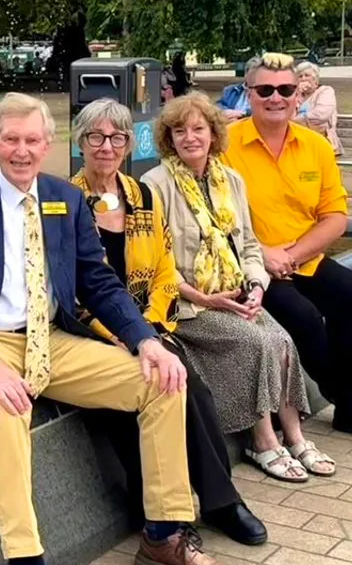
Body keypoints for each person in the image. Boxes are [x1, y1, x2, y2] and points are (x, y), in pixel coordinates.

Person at [0, 92, 235, 565]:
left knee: (164, 380)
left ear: (49, 145)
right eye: (11, 139)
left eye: (33, 140)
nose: (22, 150)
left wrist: (145, 340)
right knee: (4, 409)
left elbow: (99, 284)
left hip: (54, 341)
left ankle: (164, 534)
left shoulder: (66, 200)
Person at [69, 99, 268, 542]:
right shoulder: (67, 199)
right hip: (96, 330)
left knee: (188, 386)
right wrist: (122, 335)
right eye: (95, 137)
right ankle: (162, 510)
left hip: (149, 325)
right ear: (79, 142)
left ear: (128, 145)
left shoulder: (141, 195)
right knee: (140, 394)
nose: (106, 146)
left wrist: (150, 326)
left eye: (117, 138)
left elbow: (163, 269)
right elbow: (74, 287)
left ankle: (220, 501)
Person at [144, 93, 331, 481]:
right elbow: (155, 261)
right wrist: (199, 296)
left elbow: (247, 244)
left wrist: (257, 286)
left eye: (198, 129)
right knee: (256, 343)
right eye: (180, 131)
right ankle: (261, 440)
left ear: (213, 134)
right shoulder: (155, 184)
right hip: (190, 304)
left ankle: (294, 436)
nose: (190, 138)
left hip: (235, 291)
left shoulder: (230, 180)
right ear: (169, 138)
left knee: (281, 340)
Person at [223, 52, 352, 433]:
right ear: (249, 94)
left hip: (301, 258)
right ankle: (342, 395)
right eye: (265, 89)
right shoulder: (225, 145)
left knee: (349, 297)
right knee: (305, 319)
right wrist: (263, 254)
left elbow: (334, 217)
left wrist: (293, 255)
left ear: (299, 94)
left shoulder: (316, 147)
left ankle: (346, 403)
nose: (275, 97)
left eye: (285, 89)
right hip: (251, 263)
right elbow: (216, 214)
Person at [294, 61, 342, 155]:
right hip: (298, 144)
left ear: (315, 79)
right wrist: (296, 94)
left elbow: (321, 116)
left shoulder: (325, 91)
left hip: (322, 142)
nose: (303, 79)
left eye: (307, 75)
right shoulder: (295, 95)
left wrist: (294, 121)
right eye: (300, 76)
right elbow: (286, 115)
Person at [217, 57, 257, 122]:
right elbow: (218, 105)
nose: (255, 77)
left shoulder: (265, 93)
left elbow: (263, 111)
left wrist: (243, 113)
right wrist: (226, 112)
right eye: (253, 74)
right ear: (246, 74)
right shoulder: (230, 90)